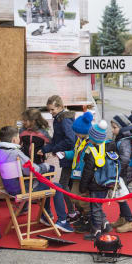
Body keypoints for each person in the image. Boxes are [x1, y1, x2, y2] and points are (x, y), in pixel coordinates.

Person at [0, 126, 73, 233]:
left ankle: (46, 215)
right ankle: (62, 221)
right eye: (18, 137)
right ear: (14, 140)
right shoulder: (16, 153)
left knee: (46, 182)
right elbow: (33, 170)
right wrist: (47, 167)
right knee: (56, 186)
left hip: (9, 186)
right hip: (22, 188)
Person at [41, 95, 79, 223]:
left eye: (52, 110)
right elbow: (57, 139)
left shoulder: (63, 120)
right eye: (49, 110)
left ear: (60, 107)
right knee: (68, 184)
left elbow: (70, 140)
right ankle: (75, 211)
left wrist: (54, 149)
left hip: (70, 155)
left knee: (63, 184)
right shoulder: (59, 118)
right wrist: (46, 149)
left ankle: (73, 213)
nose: (51, 113)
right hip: (67, 155)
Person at [79, 119, 113, 240]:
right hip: (106, 183)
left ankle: (96, 231)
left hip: (95, 184)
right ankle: (105, 224)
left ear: (93, 137)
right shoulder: (108, 146)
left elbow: (87, 172)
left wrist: (82, 187)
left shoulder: (91, 151)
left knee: (95, 208)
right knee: (98, 206)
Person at [64, 112, 95, 233]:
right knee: (75, 198)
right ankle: (84, 217)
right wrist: (65, 154)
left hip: (83, 175)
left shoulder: (89, 143)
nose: (75, 134)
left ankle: (89, 220)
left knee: (82, 199)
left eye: (77, 132)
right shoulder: (80, 141)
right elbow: (75, 153)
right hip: (76, 174)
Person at [110, 114, 132, 233]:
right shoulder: (122, 138)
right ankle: (122, 218)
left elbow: (125, 159)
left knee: (121, 197)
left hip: (123, 173)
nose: (112, 130)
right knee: (119, 196)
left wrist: (117, 172)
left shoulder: (124, 141)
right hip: (123, 172)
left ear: (122, 128)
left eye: (114, 127)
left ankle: (131, 222)